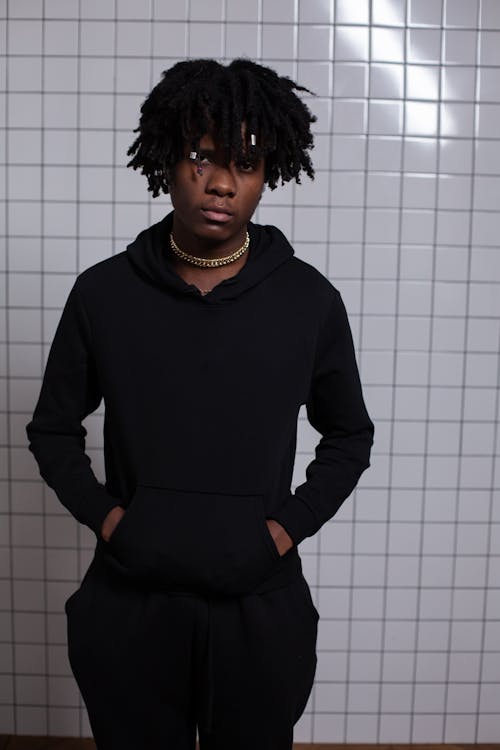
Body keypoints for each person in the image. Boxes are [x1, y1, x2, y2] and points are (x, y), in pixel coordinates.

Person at [25, 58, 374, 750]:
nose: (221, 182)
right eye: (201, 157)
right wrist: (113, 522)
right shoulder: (104, 295)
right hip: (131, 603)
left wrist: (285, 528)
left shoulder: (308, 302)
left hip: (259, 606)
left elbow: (349, 435)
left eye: (245, 163)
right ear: (165, 158)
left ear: (268, 172)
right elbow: (53, 429)